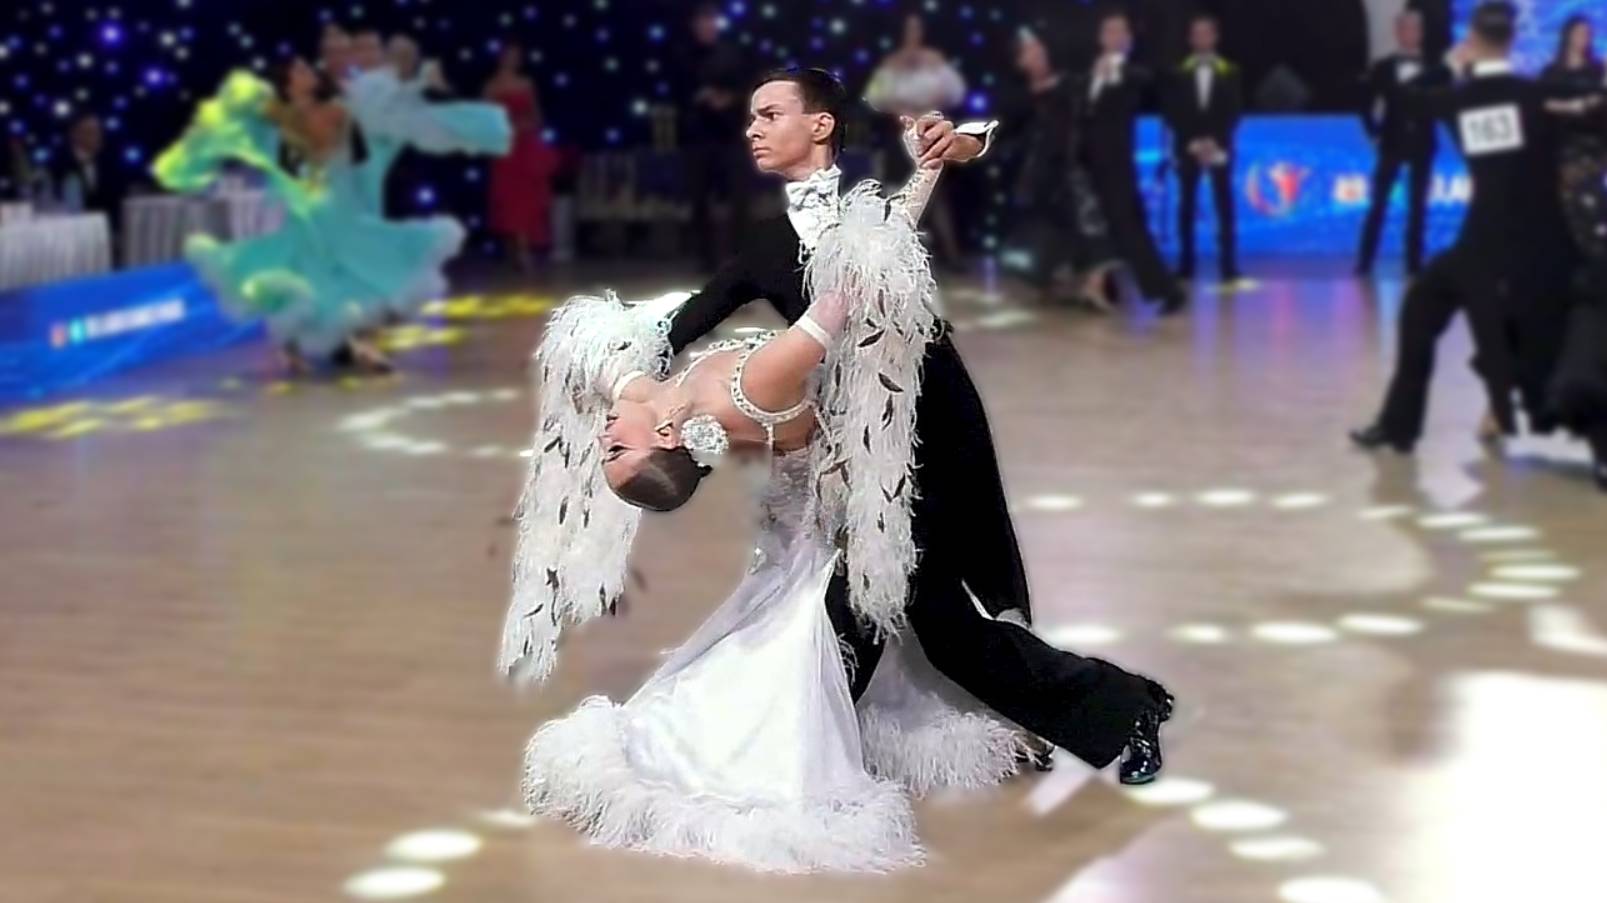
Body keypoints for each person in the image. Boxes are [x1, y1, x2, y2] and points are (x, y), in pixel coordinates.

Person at [507, 155, 1021, 872]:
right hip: (847, 499)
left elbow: (608, 366)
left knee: (817, 643)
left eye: (606, 449)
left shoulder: (656, 401)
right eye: (615, 449)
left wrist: (595, 354)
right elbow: (845, 296)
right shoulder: (745, 386)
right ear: (666, 438)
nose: (602, 438)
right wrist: (922, 178)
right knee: (826, 644)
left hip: (828, 497)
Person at [660, 68, 1172, 784]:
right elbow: (688, 318)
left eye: (769, 114)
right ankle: (1116, 706)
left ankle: (790, 763)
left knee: (904, 602)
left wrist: (952, 144)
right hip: (859, 438)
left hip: (931, 418)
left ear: (820, 124)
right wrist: (618, 363)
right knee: (915, 614)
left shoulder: (871, 201)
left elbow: (966, 140)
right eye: (751, 117)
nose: (752, 129)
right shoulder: (765, 245)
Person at [1351, 2, 1576, 455]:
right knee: (1428, 306)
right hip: (1535, 245)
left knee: (1420, 309)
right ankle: (1400, 425)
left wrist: (1449, 65)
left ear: (1471, 40)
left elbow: (1403, 95)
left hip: (1482, 245)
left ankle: (1399, 426)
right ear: (1513, 41)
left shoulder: (1459, 97)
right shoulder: (1536, 96)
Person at [152, 62, 475, 373]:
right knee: (310, 277)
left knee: (352, 276)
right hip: (308, 214)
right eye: (300, 70)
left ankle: (352, 344)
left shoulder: (332, 109)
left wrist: (413, 87)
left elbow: (349, 139)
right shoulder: (279, 118)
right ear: (288, 84)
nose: (309, 71)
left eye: (307, 68)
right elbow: (278, 147)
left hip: (338, 208)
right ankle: (314, 346)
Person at [1002, 27, 1119, 308]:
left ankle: (1093, 282)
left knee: (1091, 224)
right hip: (1041, 178)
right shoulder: (1020, 100)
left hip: (1071, 171)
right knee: (1045, 236)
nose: (1038, 53)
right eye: (1030, 51)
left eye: (1039, 48)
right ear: (1020, 62)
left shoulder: (1069, 85)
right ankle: (1059, 280)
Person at [1081, 10, 1187, 314]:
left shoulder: (1131, 74)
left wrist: (1113, 72)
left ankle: (1167, 291)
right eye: (1108, 31)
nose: (1113, 36)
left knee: (1129, 230)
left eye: (1119, 31)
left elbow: (1146, 81)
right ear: (1100, 37)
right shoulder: (1089, 75)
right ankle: (1105, 290)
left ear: (1128, 39)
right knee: (1101, 231)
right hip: (1088, 165)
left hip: (1116, 167)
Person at [865, 13, 968, 268]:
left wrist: (931, 106)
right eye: (908, 29)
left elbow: (956, 92)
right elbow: (874, 98)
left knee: (937, 195)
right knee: (895, 192)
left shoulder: (934, 61)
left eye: (917, 29)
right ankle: (888, 257)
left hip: (929, 132)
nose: (913, 34)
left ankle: (951, 255)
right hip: (897, 134)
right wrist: (898, 108)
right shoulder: (891, 63)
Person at [1356, 11, 1448, 277]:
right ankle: (1365, 261)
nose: (1411, 33)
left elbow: (1445, 101)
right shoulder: (1382, 67)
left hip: (1423, 143)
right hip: (1392, 143)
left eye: (1415, 29)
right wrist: (1374, 133)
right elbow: (1365, 103)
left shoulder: (1435, 68)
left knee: (1418, 206)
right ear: (1397, 32)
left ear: (1422, 33)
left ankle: (1414, 262)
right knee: (1378, 203)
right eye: (1406, 28)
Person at [1165, 13, 1244, 284]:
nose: (1202, 38)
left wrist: (1214, 141)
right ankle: (1186, 264)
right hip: (1188, 147)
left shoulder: (1229, 71)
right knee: (1186, 205)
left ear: (1215, 37)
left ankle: (1228, 265)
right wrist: (1194, 142)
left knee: (1224, 205)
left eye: (1206, 32)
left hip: (1219, 147)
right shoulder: (1178, 72)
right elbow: (1173, 112)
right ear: (1190, 39)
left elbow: (1234, 111)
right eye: (1197, 33)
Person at [676, 3, 753, 272]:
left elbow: (747, 89)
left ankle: (738, 258)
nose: (706, 27)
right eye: (702, 22)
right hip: (697, 136)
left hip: (730, 135)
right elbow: (677, 91)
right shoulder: (683, 56)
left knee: (738, 198)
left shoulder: (733, 55)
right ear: (694, 26)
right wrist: (701, 98)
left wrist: (728, 99)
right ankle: (705, 259)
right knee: (699, 199)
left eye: (711, 22)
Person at [484, 42, 559, 272]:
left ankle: (523, 251)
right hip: (505, 148)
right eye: (510, 55)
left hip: (526, 148)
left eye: (518, 56)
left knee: (527, 199)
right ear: (501, 57)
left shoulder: (526, 83)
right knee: (509, 199)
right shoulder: (491, 87)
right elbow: (485, 121)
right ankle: (515, 250)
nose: (514, 59)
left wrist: (528, 125)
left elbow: (537, 117)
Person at [52, 114, 127, 240]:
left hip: (107, 233)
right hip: (71, 233)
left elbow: (118, 199)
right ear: (75, 135)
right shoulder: (58, 165)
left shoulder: (110, 162)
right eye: (91, 132)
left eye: (99, 132)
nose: (98, 137)